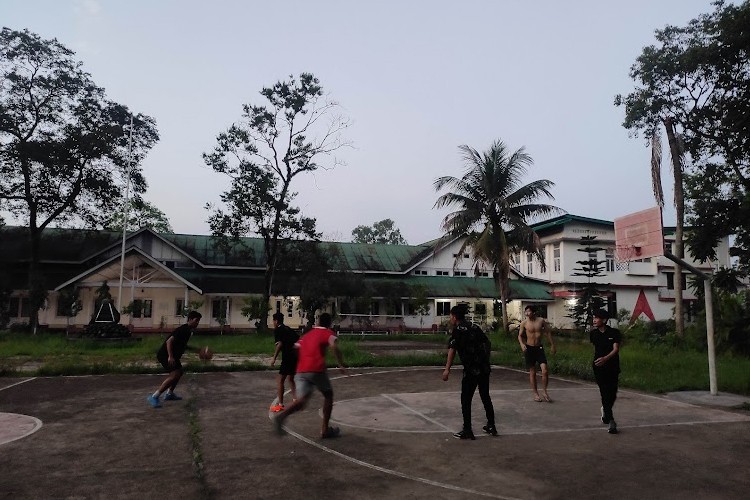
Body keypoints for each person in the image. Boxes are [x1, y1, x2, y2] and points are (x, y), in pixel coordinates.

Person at [273, 313, 347, 439]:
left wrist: (303, 360)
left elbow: (295, 348)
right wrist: (340, 363)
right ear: (329, 323)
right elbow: (334, 346)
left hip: (301, 370)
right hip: (316, 368)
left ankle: (282, 416)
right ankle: (325, 430)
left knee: (302, 401)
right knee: (328, 395)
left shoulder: (307, 335)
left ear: (317, 322)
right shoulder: (328, 333)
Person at [442, 305, 497, 440]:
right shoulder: (474, 327)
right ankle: (491, 425)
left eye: (450, 316)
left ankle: (467, 429)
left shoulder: (458, 331)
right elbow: (487, 343)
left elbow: (452, 350)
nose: (450, 319)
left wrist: (447, 369)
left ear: (454, 317)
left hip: (471, 369)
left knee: (466, 399)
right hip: (483, 367)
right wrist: (486, 359)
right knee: (485, 396)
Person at [147, 311, 202, 408]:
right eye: (196, 320)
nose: (197, 323)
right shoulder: (183, 329)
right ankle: (154, 396)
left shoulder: (188, 331)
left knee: (179, 372)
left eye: (199, 321)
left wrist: (197, 350)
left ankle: (169, 394)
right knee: (175, 374)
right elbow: (169, 341)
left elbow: (183, 345)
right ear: (190, 319)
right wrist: (170, 356)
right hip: (165, 355)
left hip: (172, 355)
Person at [590, 308, 621, 434]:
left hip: (612, 366)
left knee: (612, 393)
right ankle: (611, 421)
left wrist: (606, 359)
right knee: (604, 392)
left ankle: (605, 411)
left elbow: (616, 349)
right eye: (594, 318)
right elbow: (596, 349)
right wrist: (599, 360)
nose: (594, 320)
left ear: (604, 320)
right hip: (599, 366)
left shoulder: (614, 333)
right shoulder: (593, 333)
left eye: (597, 318)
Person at [518, 305, 556, 402]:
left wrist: (552, 345)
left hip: (539, 348)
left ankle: (544, 391)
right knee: (532, 372)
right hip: (529, 348)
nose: (527, 313)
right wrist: (522, 344)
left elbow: (547, 332)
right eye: (525, 312)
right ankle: (535, 393)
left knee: (545, 370)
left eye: (529, 311)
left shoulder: (541, 321)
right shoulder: (524, 323)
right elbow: (520, 336)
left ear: (533, 312)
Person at [269, 312, 299, 412]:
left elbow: (279, 344)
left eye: (273, 321)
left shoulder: (278, 330)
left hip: (287, 357)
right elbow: (298, 340)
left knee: (281, 380)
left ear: (276, 321)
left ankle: (280, 404)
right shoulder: (288, 328)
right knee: (291, 378)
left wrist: (274, 358)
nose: (273, 323)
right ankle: (295, 400)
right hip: (295, 356)